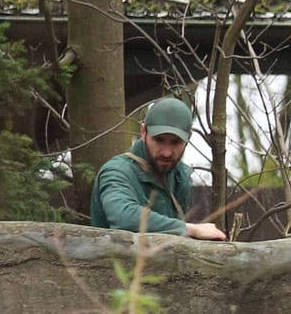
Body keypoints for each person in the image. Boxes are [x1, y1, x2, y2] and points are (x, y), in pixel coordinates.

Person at [89, 97, 227, 240]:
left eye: (175, 142)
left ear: (188, 139)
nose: (167, 152)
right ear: (143, 132)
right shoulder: (117, 172)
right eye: (159, 140)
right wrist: (189, 229)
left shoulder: (180, 177)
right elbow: (123, 217)